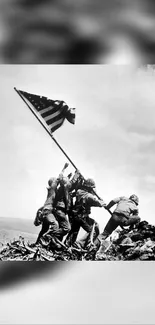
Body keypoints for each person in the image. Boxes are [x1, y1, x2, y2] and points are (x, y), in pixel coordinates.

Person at [65, 177, 106, 248]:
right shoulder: (89, 196)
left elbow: (89, 199)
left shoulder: (79, 191)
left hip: (75, 215)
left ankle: (67, 246)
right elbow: (99, 203)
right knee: (93, 230)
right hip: (82, 216)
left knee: (74, 231)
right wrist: (102, 201)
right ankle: (79, 244)